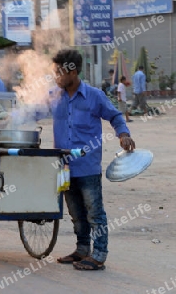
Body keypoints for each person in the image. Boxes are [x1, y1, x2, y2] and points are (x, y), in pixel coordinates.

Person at [49, 49, 135, 271]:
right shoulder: (53, 96)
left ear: (73, 71)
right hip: (64, 166)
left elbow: (115, 116)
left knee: (94, 212)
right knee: (75, 212)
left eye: (59, 73)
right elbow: (31, 110)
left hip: (88, 166)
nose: (56, 77)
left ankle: (99, 254)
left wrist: (123, 134)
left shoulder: (94, 96)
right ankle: (82, 249)